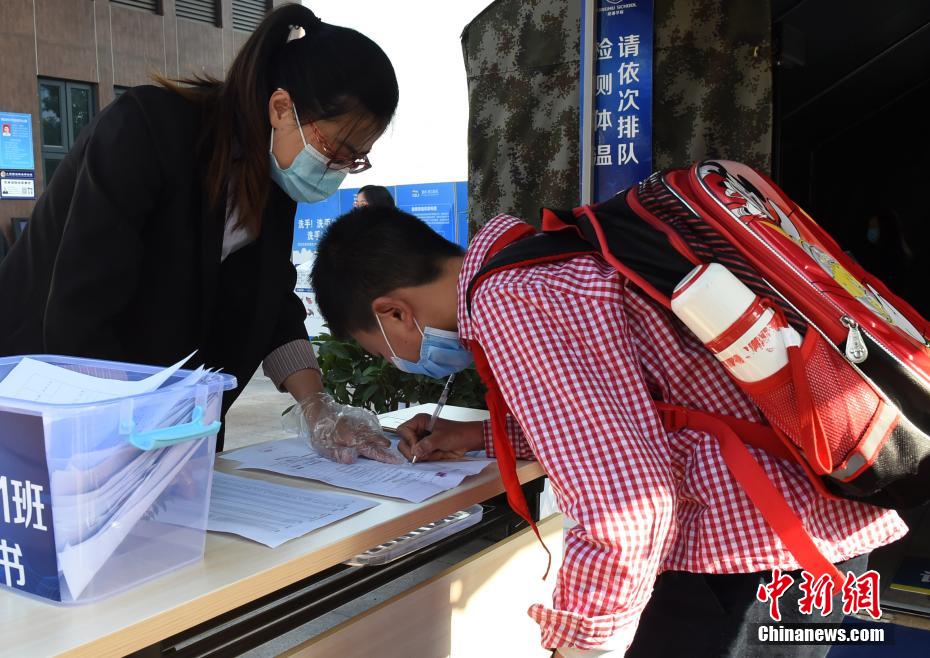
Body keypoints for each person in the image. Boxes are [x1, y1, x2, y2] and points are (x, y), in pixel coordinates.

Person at [310, 206, 908, 657]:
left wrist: (580, 643)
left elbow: (625, 507)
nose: (402, 363)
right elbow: (631, 417)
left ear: (393, 312)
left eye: (387, 351)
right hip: (811, 536)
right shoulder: (547, 260)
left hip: (751, 563)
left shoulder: (507, 302)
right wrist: (473, 438)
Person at [0, 5, 398, 460]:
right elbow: (81, 310)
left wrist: (317, 406)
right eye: (337, 150)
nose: (340, 170)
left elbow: (269, 302)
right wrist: (127, 436)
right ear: (282, 108)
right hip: (52, 401)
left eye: (356, 159)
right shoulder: (147, 131)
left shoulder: (272, 183)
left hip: (159, 422)